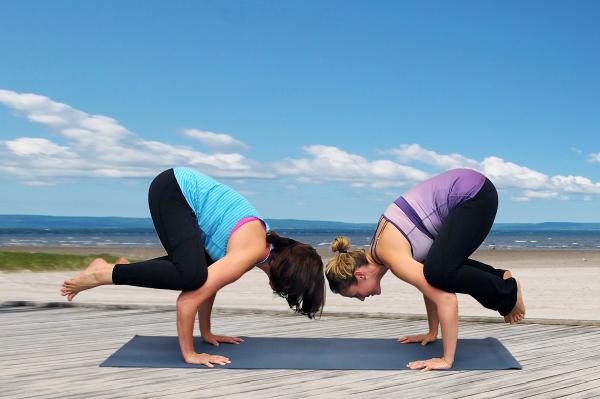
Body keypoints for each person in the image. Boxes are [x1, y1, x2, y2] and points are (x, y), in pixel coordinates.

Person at [61, 167, 325, 367]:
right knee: (190, 275)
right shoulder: (251, 252)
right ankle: (104, 273)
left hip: (178, 190)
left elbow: (209, 285)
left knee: (196, 273)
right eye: (293, 289)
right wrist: (190, 353)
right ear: (288, 275)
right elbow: (187, 301)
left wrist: (206, 333)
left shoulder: (257, 248)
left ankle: (110, 267)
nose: (287, 292)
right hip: (174, 190)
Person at [325, 168, 525, 371]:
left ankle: (507, 290)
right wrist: (432, 332)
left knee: (440, 271)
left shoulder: (391, 257)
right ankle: (500, 278)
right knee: (436, 269)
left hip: (475, 196)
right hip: (471, 192)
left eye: (355, 295)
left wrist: (446, 359)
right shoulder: (383, 249)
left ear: (360, 275)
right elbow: (428, 284)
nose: (361, 299)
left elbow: (445, 298)